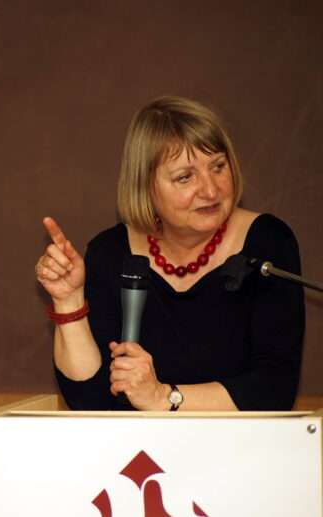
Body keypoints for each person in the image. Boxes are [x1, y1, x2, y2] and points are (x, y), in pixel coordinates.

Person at [34, 96, 304, 411]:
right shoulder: (110, 253)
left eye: (218, 167)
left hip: (240, 442)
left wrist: (163, 397)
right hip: (136, 444)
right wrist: (69, 300)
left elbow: (274, 390)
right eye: (185, 177)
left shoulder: (267, 243)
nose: (211, 190)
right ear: (146, 187)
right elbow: (89, 400)